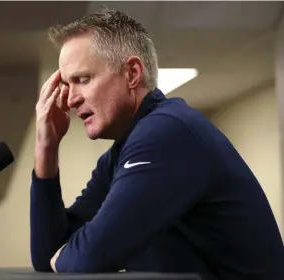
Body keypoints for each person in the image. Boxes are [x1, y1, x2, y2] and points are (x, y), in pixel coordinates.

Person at [29, 8, 284, 279]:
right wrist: (46, 147)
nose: (70, 100)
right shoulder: (121, 152)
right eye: (68, 85)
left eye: (83, 79)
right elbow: (49, 256)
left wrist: (72, 254)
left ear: (132, 73)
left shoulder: (167, 132)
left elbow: (88, 257)